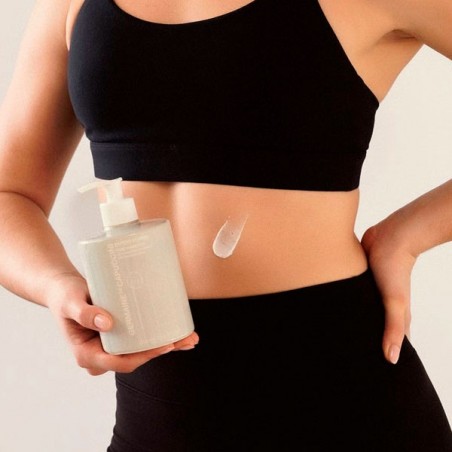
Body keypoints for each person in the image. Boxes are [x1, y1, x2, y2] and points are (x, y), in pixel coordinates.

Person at [0, 0, 451, 450]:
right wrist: (57, 286)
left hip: (346, 402)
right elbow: (9, 195)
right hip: (159, 412)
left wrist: (407, 235)